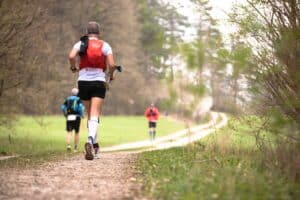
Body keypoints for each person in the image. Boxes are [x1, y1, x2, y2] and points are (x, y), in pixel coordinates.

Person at [68, 21, 117, 160]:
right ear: (99, 32)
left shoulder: (81, 44)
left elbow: (71, 56)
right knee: (95, 114)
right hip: (98, 82)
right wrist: (111, 75)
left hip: (83, 82)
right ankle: (90, 140)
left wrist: (73, 67)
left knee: (90, 114)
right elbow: (112, 64)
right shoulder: (105, 45)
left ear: (87, 32)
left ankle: (95, 145)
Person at [61, 88, 84, 152]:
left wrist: (65, 114)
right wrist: (82, 115)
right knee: (77, 132)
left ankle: (68, 145)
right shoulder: (79, 99)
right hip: (77, 117)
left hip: (69, 117)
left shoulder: (68, 99)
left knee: (69, 132)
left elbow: (62, 107)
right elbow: (80, 108)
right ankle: (75, 148)